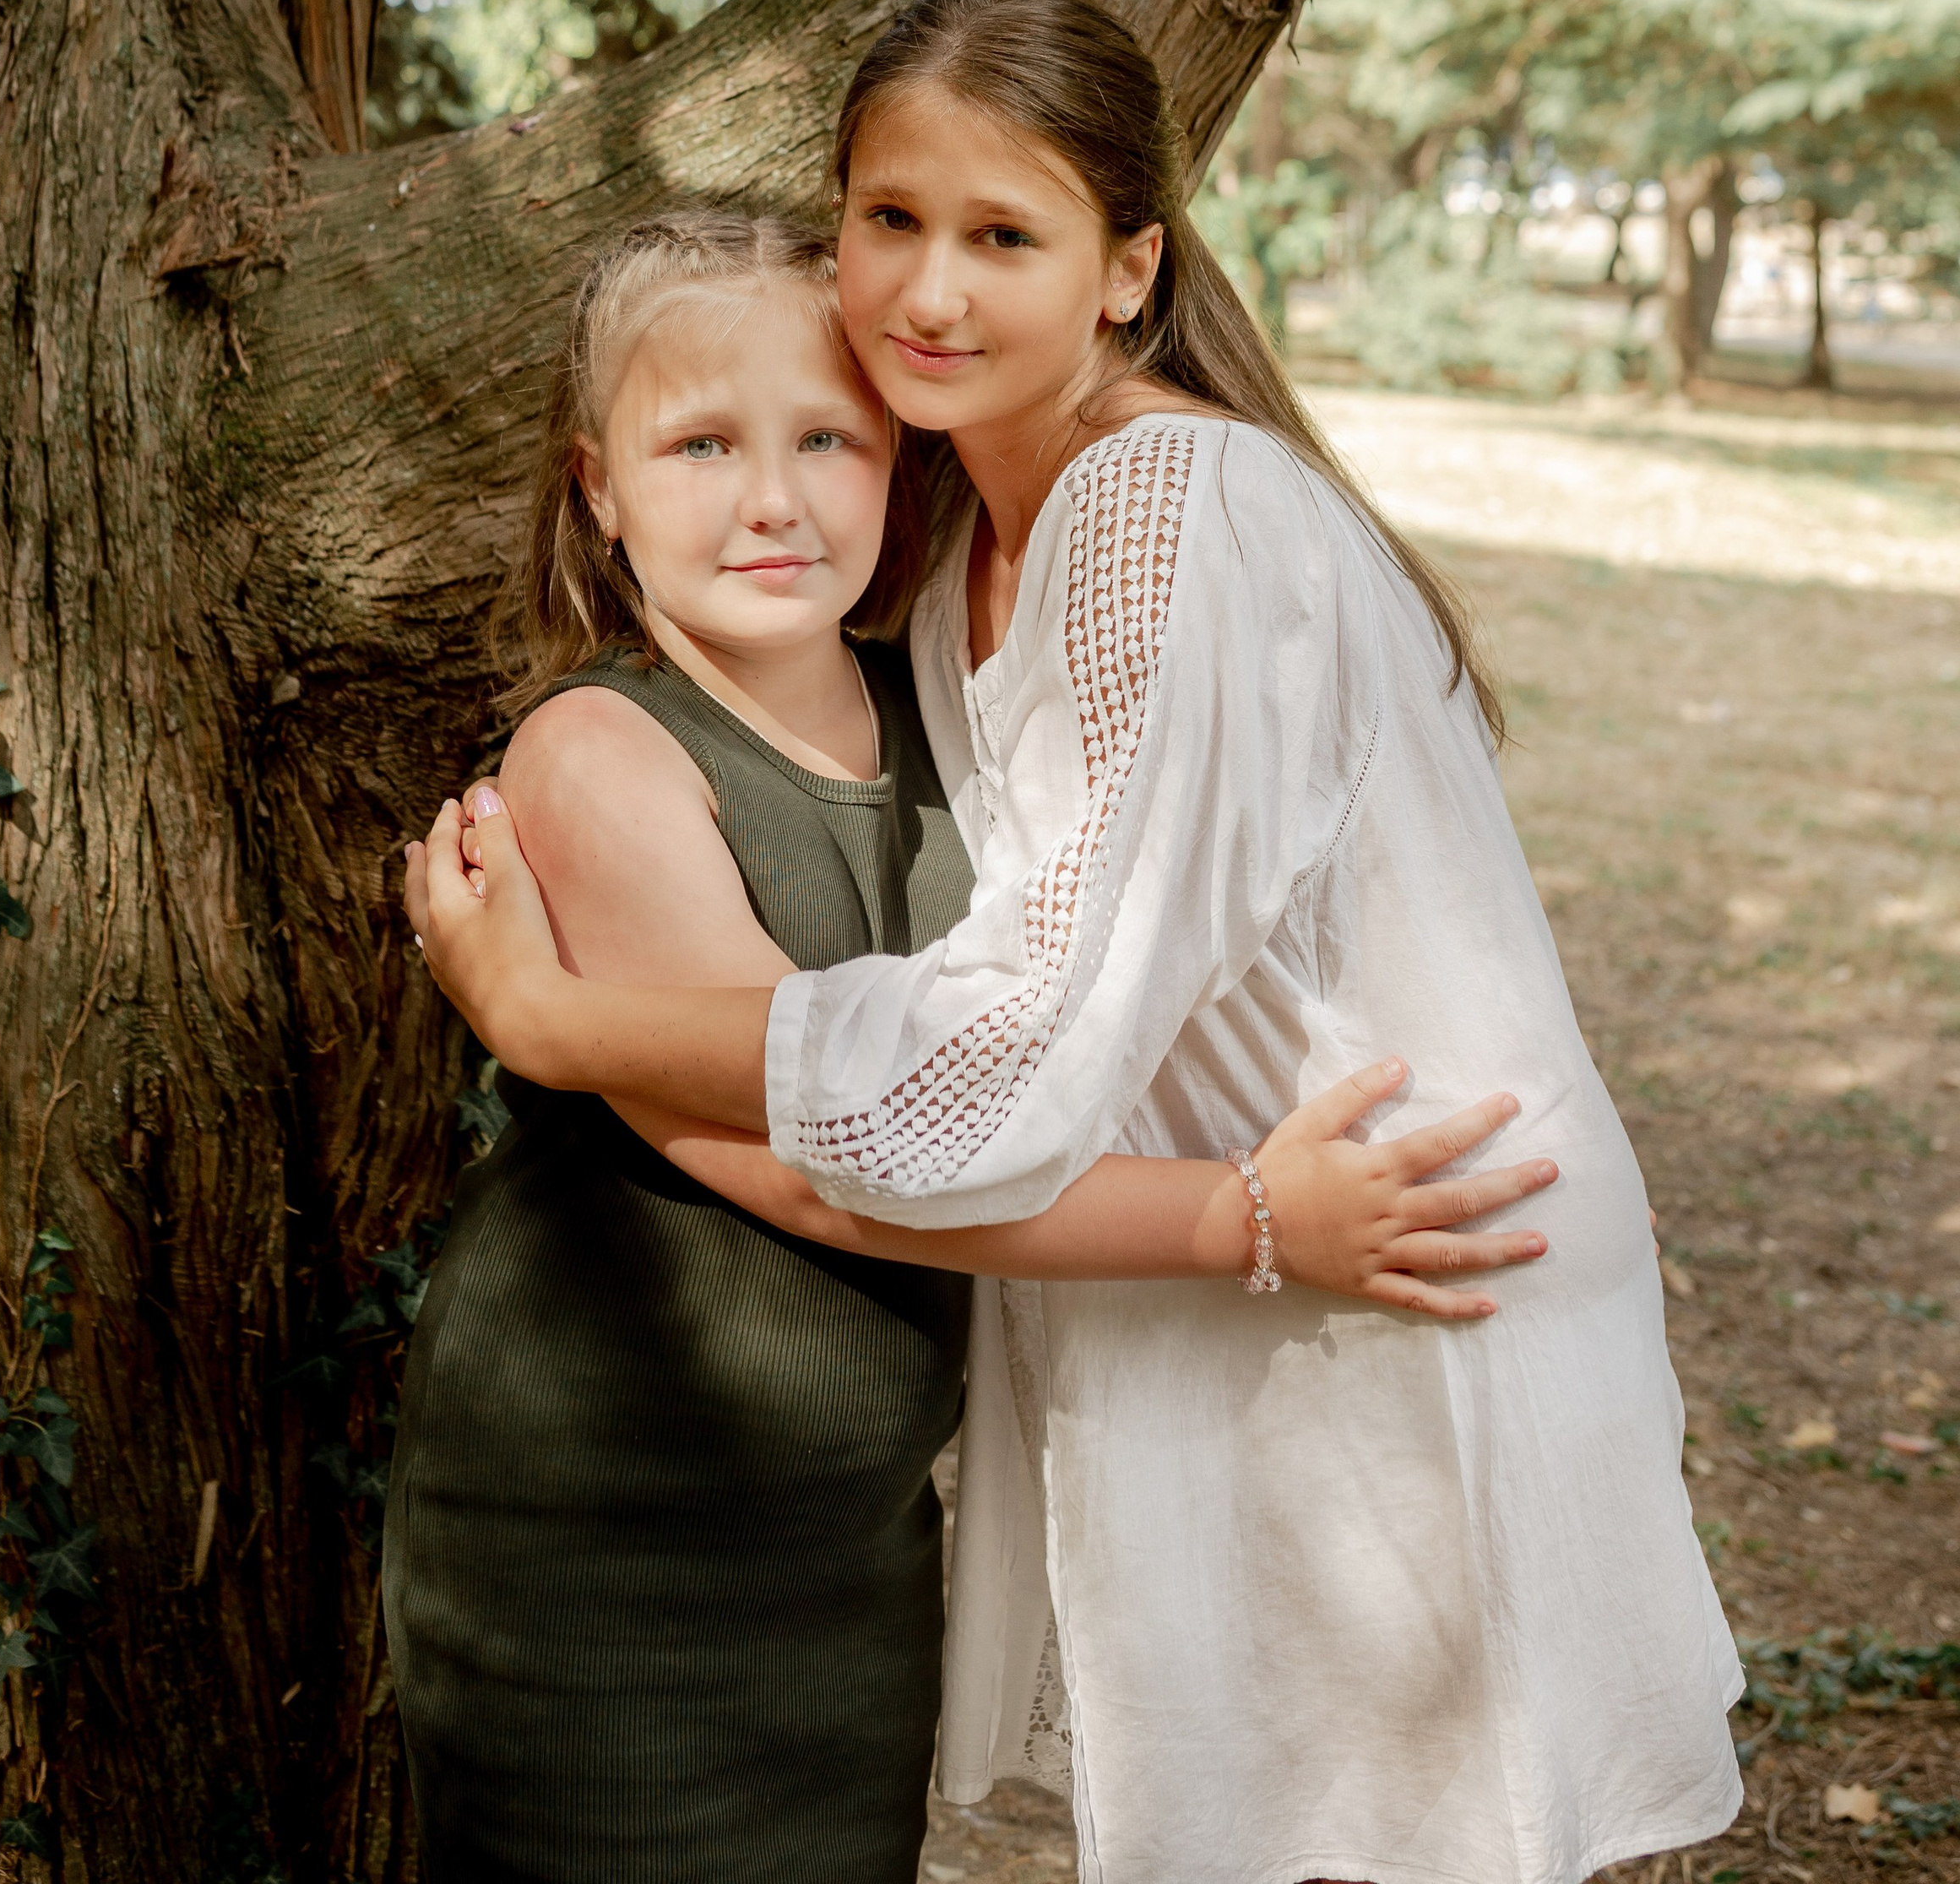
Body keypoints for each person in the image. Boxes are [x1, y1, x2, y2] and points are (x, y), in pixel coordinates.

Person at [391, 206, 1559, 1884]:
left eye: (827, 440)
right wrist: (1240, 1221)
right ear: (597, 486)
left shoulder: (933, 707)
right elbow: (817, 1165)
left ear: (901, 463)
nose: (771, 497)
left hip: (848, 1527)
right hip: (603, 1527)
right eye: (700, 443)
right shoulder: (599, 754)